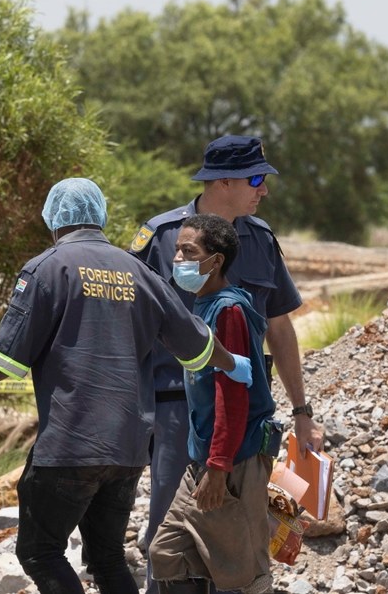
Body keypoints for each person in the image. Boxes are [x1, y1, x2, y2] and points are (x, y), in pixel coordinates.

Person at [0, 178, 253, 594]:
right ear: (100, 216)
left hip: (70, 444)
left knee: (39, 551)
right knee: (106, 557)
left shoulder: (47, 268)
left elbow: (6, 361)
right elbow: (195, 347)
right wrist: (232, 363)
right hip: (127, 448)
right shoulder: (139, 271)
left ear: (54, 218)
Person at [129, 135, 321, 591]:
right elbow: (130, 326)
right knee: (170, 535)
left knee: (238, 529)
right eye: (257, 179)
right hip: (176, 409)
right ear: (223, 181)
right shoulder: (163, 238)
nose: (265, 190)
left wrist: (301, 409)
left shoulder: (260, 238)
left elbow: (280, 326)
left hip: (241, 411)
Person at [148, 214, 276, 594]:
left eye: (190, 252)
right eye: (177, 252)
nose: (179, 260)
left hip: (236, 459)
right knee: (166, 552)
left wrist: (219, 467)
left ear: (215, 261)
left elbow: (232, 395)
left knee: (245, 573)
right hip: (204, 458)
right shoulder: (200, 308)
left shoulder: (228, 311)